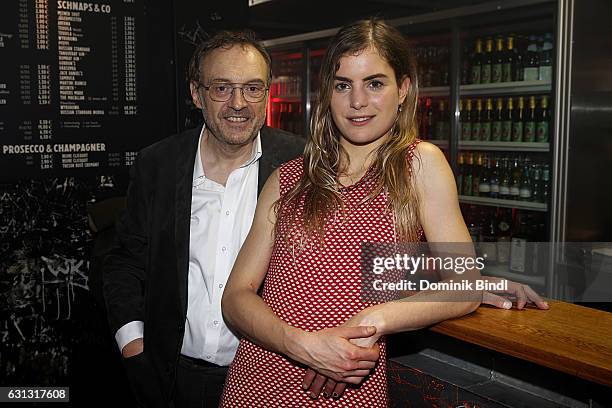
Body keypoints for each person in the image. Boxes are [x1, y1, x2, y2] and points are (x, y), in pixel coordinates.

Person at [220, 19, 549, 406]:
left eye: (374, 83)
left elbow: (462, 282)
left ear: (404, 89)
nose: (357, 101)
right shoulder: (289, 177)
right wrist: (303, 346)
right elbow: (236, 297)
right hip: (256, 381)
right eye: (343, 85)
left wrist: (369, 321)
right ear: (328, 93)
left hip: (349, 380)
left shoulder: (420, 165)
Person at [102, 30, 304, 407]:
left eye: (252, 88)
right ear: (196, 94)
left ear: (267, 93)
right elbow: (125, 262)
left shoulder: (302, 166)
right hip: (171, 379)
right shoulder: (158, 165)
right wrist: (134, 347)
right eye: (222, 88)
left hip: (270, 377)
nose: (238, 103)